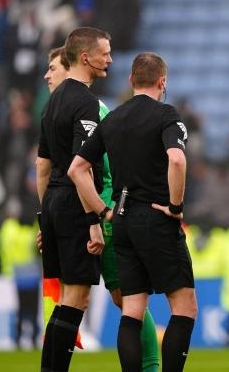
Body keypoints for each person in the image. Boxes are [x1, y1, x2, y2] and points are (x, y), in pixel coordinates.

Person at [68, 52, 196, 372]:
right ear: (162, 81)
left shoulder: (112, 119)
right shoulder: (166, 115)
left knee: (132, 310)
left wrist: (103, 211)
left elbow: (77, 169)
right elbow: (177, 159)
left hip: (122, 221)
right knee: (184, 307)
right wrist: (176, 207)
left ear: (131, 80)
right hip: (156, 217)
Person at [40, 45, 161, 370]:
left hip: (103, 210)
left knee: (125, 296)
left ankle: (150, 367)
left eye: (53, 68)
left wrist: (103, 214)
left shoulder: (94, 109)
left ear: (70, 67)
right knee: (84, 298)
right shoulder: (59, 111)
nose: (48, 75)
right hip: (79, 212)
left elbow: (105, 168)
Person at [36, 27, 112, 371]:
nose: (109, 59)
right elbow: (80, 168)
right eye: (104, 53)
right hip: (73, 202)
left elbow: (42, 165)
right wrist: (95, 219)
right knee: (77, 298)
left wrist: (45, 218)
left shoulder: (53, 101)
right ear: (85, 57)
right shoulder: (85, 102)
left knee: (67, 298)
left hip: (53, 200)